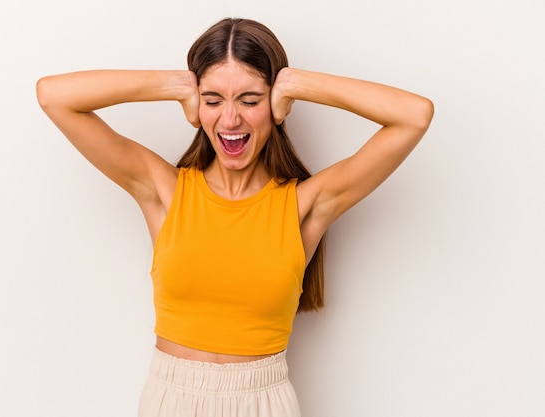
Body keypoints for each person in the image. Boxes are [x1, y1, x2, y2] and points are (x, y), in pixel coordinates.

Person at [36, 17, 433, 417]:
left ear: (274, 103)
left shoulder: (303, 206)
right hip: (171, 399)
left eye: (249, 100)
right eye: (213, 101)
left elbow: (414, 115)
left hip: (263, 402)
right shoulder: (166, 192)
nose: (230, 120)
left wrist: (296, 84)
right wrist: (174, 85)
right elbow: (54, 95)